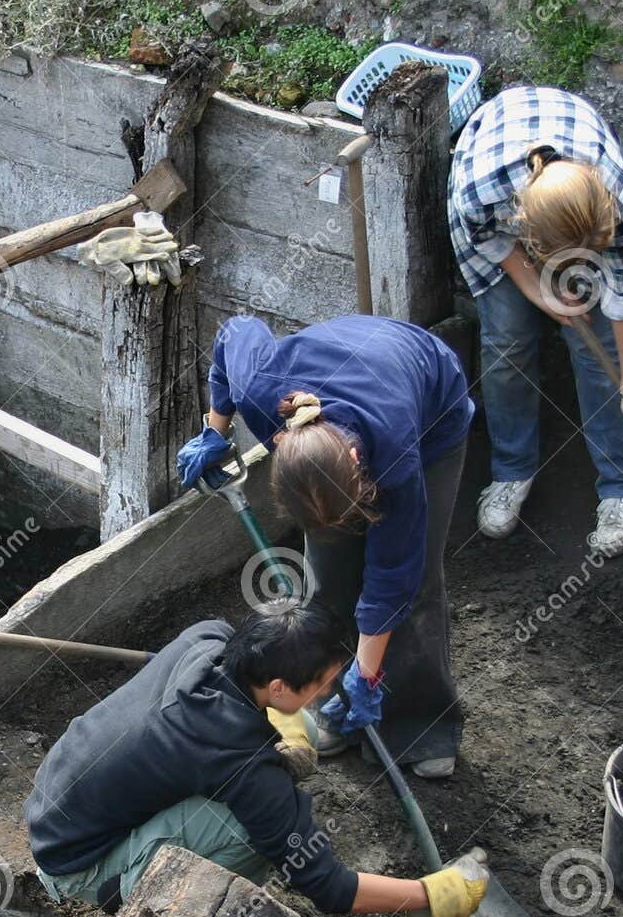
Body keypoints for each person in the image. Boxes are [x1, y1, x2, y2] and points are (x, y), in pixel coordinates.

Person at [24, 604, 485, 917]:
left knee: (298, 723)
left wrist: (292, 736)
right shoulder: (241, 763)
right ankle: (158, 905)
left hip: (55, 802)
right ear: (279, 684)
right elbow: (325, 884)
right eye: (324, 684)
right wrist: (433, 896)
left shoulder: (206, 636)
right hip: (75, 864)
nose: (331, 692)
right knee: (256, 836)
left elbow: (273, 715)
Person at [180, 313, 473, 778]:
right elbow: (233, 331)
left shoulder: (395, 452)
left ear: (359, 465)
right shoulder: (261, 391)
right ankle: (335, 700)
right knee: (330, 576)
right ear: (280, 445)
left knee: (415, 591)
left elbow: (394, 574)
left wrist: (369, 673)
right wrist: (216, 431)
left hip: (431, 404)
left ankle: (418, 728)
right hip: (343, 382)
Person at [448, 84, 623, 558]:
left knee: (599, 349)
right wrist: (536, 289)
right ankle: (511, 469)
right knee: (507, 340)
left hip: (567, 166)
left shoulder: (616, 198)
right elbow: (485, 236)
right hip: (499, 204)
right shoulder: (482, 191)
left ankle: (621, 484)